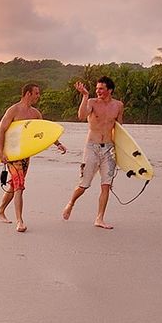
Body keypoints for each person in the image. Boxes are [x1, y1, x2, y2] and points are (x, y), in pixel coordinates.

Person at [0, 83, 66, 233]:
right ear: (28, 93)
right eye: (36, 93)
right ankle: (20, 221)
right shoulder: (13, 110)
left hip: (26, 155)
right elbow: (1, 131)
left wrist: (58, 144)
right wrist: (1, 152)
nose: (38, 96)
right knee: (19, 185)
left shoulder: (35, 114)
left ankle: (0, 211)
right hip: (13, 154)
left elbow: (44, 132)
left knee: (14, 185)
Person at [62, 76, 124, 229]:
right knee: (84, 185)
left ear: (110, 90)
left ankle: (99, 218)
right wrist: (84, 95)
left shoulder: (118, 105)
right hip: (92, 147)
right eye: (97, 89)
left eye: (101, 89)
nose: (98, 91)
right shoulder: (91, 103)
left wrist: (122, 152)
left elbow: (120, 128)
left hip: (109, 149)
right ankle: (71, 203)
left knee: (106, 185)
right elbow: (81, 116)